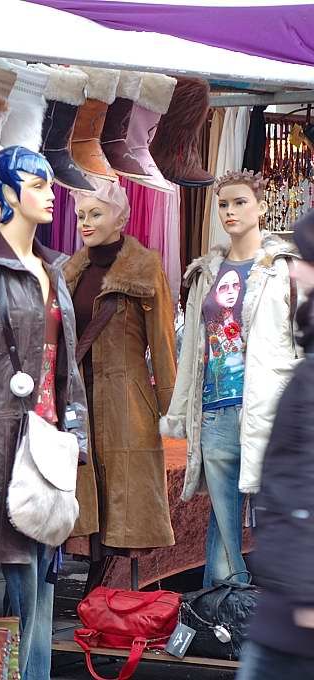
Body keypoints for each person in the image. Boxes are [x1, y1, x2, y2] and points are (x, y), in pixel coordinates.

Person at [0, 146, 88, 680]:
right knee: (21, 580)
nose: (50, 194)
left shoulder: (54, 268)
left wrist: (77, 433)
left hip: (49, 444)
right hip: (3, 448)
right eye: (36, 184)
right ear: (6, 194)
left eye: (51, 184)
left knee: (46, 579)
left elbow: (67, 364)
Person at [163, 170, 301, 587]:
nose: (230, 211)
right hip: (216, 412)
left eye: (240, 202)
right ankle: (226, 617)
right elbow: (191, 353)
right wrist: (182, 408)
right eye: (223, 204)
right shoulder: (206, 273)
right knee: (223, 524)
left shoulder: (285, 270)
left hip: (267, 409)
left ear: (260, 207)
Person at [64, 177, 177, 591]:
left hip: (128, 398)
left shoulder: (144, 269)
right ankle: (93, 589)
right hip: (79, 397)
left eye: (96, 214)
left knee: (124, 495)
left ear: (121, 218)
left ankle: (120, 598)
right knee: (86, 487)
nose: (85, 222)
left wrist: (171, 408)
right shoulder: (70, 271)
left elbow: (163, 343)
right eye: (80, 215)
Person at [237, 210, 314, 679]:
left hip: (297, 613)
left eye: (305, 258)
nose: (296, 269)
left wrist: (304, 590)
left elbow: (303, 477)